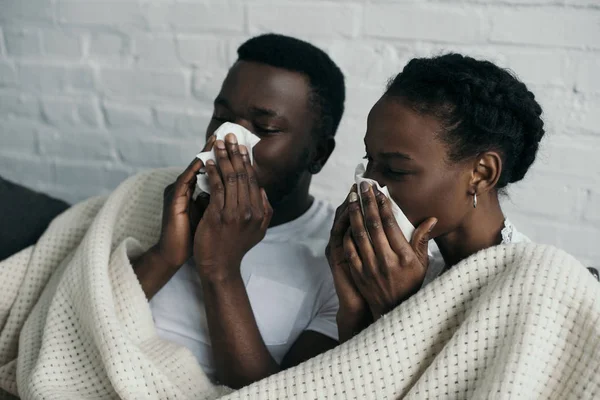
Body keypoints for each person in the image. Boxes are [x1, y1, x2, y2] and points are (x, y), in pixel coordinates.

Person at [326, 53, 598, 342]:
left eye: (396, 169)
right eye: (369, 160)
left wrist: (397, 309)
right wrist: (354, 310)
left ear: (481, 174)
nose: (371, 184)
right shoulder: (397, 272)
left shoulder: (537, 288)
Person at [132, 33, 345, 388]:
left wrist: (220, 270)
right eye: (220, 117)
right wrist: (165, 256)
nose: (226, 141)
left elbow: (277, 395)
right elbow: (79, 329)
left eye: (265, 129)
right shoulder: (166, 199)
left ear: (318, 155)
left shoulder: (338, 260)